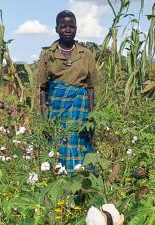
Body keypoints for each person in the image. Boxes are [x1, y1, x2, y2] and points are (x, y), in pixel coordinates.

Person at [36, 10, 99, 174]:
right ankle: (60, 183)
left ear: (76, 29)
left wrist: (92, 116)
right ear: (56, 29)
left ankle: (82, 183)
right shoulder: (47, 54)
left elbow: (91, 88)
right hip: (56, 109)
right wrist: (45, 121)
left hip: (80, 109)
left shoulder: (86, 54)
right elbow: (42, 89)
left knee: (80, 142)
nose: (67, 29)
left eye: (71, 26)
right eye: (63, 26)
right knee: (59, 144)